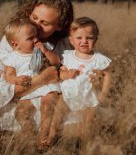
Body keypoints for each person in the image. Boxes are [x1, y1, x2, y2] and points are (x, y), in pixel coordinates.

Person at [0, 0, 80, 141]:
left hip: (55, 105)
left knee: (84, 126)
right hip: (21, 103)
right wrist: (42, 79)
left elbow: (75, 85)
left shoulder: (67, 43)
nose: (36, 26)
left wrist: (54, 126)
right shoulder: (14, 39)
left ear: (60, 25)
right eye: (34, 17)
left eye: (44, 23)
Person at [46, 17, 112, 145]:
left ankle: (86, 141)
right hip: (67, 96)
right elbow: (59, 72)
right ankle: (52, 135)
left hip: (89, 99)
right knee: (58, 112)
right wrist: (65, 73)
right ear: (71, 40)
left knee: (89, 118)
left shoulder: (99, 59)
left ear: (96, 39)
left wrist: (104, 93)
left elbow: (108, 76)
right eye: (79, 38)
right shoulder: (67, 56)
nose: (84, 41)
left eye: (89, 38)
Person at [1, 16, 61, 145]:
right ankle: (29, 134)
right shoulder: (12, 57)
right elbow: (8, 76)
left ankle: (43, 136)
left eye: (36, 36)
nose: (35, 40)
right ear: (15, 44)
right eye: (30, 38)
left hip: (47, 88)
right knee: (21, 111)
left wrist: (45, 50)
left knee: (48, 104)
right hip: (28, 92)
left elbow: (56, 61)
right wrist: (16, 79)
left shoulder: (42, 48)